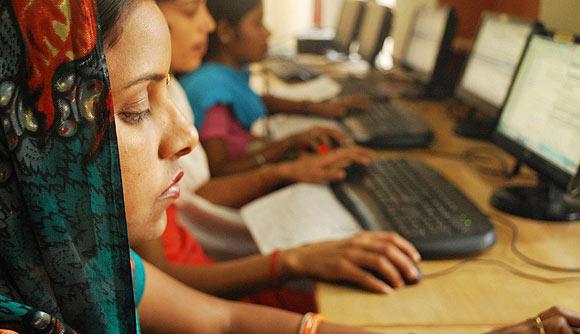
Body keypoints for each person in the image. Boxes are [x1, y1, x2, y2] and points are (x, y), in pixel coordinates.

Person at [1, 0, 577, 333]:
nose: (186, 135)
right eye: (133, 109)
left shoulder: (85, 255)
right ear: (26, 132)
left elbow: (223, 323)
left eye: (166, 88)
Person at [132, 0, 422, 314]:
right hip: (214, 287)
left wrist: (286, 158)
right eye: (135, 111)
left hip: (213, 282)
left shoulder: (174, 93)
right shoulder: (136, 174)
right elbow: (176, 282)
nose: (209, 24)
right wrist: (293, 258)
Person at [179, 0, 371, 177]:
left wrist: (315, 108)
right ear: (226, 31)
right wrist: (286, 145)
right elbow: (219, 170)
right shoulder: (212, 92)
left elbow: (255, 99)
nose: (268, 33)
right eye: (258, 24)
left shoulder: (225, 76)